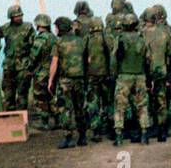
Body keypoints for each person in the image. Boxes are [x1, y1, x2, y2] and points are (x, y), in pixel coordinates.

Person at [112, 12, 151, 146]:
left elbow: (114, 60)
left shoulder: (120, 39)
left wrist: (114, 74)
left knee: (120, 107)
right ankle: (144, 133)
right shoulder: (142, 39)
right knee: (142, 106)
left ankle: (118, 135)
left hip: (124, 77)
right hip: (140, 76)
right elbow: (148, 59)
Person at [48, 16, 88, 148]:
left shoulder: (58, 43)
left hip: (65, 80)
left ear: (60, 28)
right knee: (80, 107)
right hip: (80, 79)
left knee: (65, 108)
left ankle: (68, 137)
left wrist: (50, 81)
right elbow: (88, 61)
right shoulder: (81, 41)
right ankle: (82, 136)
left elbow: (54, 63)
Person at [143, 7, 171, 142]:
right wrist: (170, 74)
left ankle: (153, 127)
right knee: (162, 100)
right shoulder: (166, 34)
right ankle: (163, 131)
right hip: (163, 71)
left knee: (150, 101)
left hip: (148, 72)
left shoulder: (144, 33)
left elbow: (143, 55)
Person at [0, 5, 34, 111]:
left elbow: (34, 45)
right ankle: (10, 114)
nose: (19, 18)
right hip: (9, 64)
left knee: (22, 91)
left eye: (20, 15)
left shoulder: (28, 27)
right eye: (16, 16)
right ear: (11, 17)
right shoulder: (5, 28)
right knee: (8, 90)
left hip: (23, 64)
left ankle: (22, 116)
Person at [85, 16, 112, 142]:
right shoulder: (107, 38)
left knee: (93, 104)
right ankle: (109, 127)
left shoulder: (87, 39)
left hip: (92, 77)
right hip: (106, 76)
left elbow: (83, 58)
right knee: (107, 102)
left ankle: (96, 130)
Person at [28, 14, 55, 129]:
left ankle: (44, 122)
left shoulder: (40, 39)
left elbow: (33, 56)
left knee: (40, 97)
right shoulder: (53, 37)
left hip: (41, 72)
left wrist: (29, 67)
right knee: (52, 96)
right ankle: (57, 120)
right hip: (53, 72)